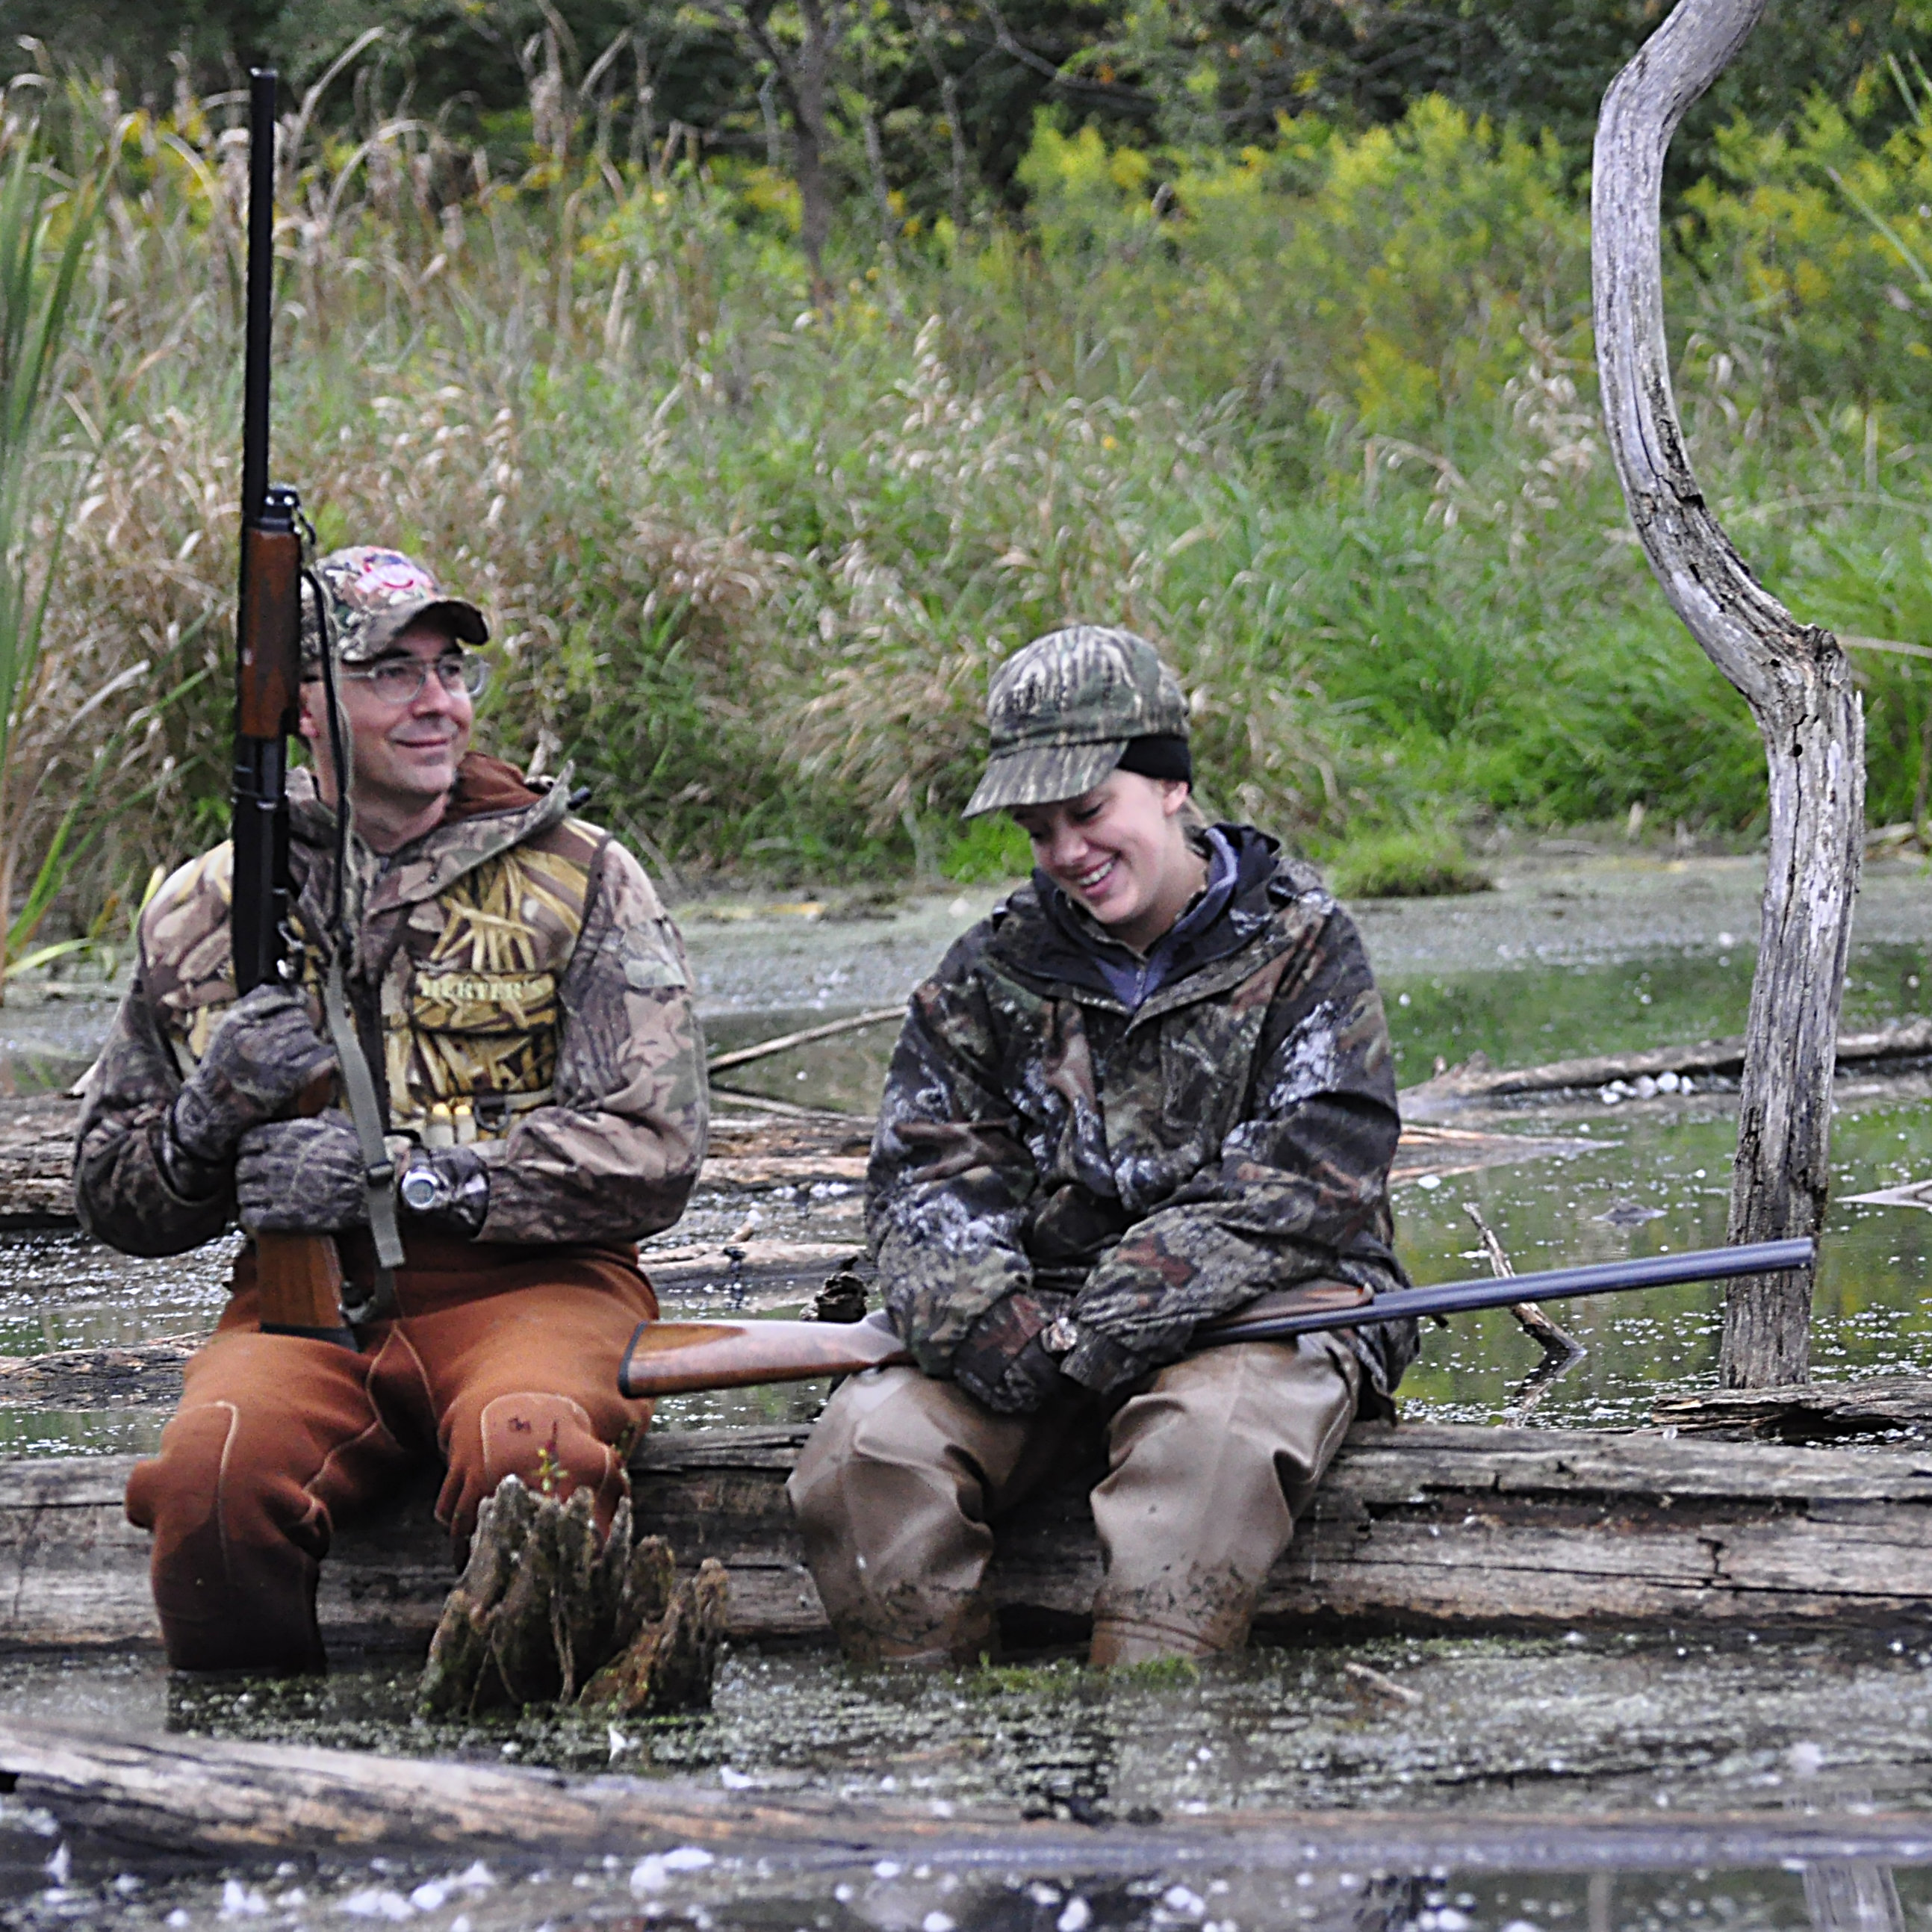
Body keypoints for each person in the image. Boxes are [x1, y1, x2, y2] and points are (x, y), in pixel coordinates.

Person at [75, 544, 706, 1676]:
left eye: (451, 669)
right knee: (209, 1480)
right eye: (391, 673)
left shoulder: (580, 877)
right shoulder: (207, 905)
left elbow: (653, 1154)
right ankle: (258, 1805)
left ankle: (544, 1803)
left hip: (537, 1286)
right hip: (302, 1308)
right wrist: (208, 1118)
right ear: (303, 707)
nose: (438, 702)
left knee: (536, 1452)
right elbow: (117, 1200)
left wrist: (413, 1178)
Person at [788, 625, 1414, 1668]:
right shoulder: (985, 973)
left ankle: (1155, 1762)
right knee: (865, 1455)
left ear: (1170, 785)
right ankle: (929, 1772)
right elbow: (925, 1187)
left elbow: (1319, 1170)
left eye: (1088, 813)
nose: (1068, 854)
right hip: (1033, 1331)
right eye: (1040, 831)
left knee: (1204, 1461)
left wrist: (1120, 1316)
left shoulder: (1304, 944)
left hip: (1260, 1317)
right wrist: (995, 1323)